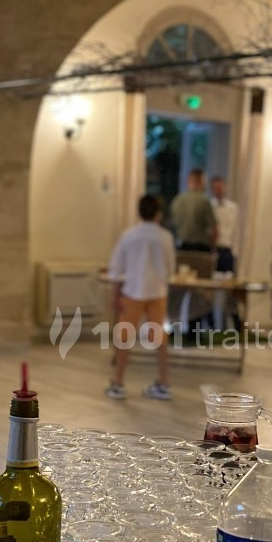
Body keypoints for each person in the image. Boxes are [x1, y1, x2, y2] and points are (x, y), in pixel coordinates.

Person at [105, 195, 176, 401]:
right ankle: (163, 382)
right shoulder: (166, 237)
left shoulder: (129, 235)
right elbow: (170, 268)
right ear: (158, 213)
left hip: (132, 291)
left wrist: (115, 294)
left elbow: (117, 268)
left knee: (124, 338)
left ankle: (118, 383)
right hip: (157, 292)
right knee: (159, 338)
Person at [170, 168, 217, 251]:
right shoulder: (204, 201)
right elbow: (214, 230)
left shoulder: (177, 200)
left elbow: (172, 226)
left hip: (181, 247)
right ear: (201, 182)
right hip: (201, 248)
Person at [210, 176, 239, 273]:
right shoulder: (209, 206)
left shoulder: (233, 208)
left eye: (221, 187)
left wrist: (235, 251)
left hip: (227, 248)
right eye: (216, 188)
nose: (219, 190)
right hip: (214, 248)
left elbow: (236, 229)